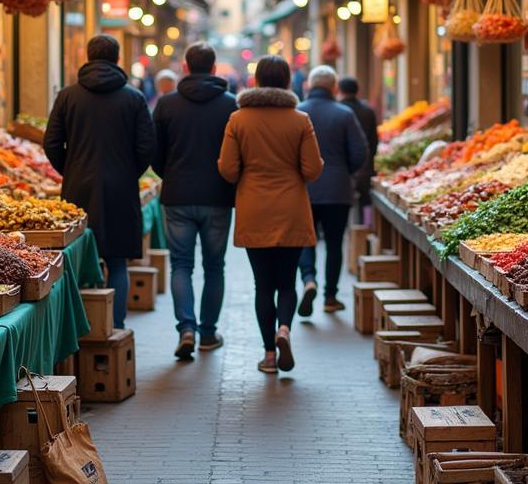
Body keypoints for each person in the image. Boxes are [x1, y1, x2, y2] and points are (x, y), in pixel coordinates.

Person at [217, 55, 323, 374]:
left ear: (257, 80)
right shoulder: (300, 119)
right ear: (288, 81)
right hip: (291, 208)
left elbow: (228, 169)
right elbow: (312, 169)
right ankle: (285, 329)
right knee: (287, 282)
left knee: (263, 285)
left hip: (254, 209)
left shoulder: (238, 120)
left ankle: (268, 355)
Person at [44, 34, 155, 330]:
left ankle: (82, 331)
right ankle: (114, 327)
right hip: (121, 190)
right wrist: (129, 172)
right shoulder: (134, 98)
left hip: (78, 189)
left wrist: (71, 170)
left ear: (88, 56)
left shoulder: (68, 96)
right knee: (118, 262)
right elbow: (147, 147)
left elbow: (52, 142)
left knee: (79, 261)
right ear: (117, 59)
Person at [152, 42, 237, 359]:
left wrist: (170, 174)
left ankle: (186, 328)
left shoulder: (167, 104)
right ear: (214, 69)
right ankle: (207, 332)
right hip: (218, 196)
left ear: (185, 67)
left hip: (177, 196)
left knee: (181, 265)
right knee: (215, 266)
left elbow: (154, 154)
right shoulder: (231, 104)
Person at [296, 65, 368, 317]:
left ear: (309, 86)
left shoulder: (298, 112)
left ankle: (308, 280)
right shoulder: (344, 114)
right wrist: (344, 171)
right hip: (337, 188)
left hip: (304, 188)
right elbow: (360, 152)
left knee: (306, 239)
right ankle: (330, 296)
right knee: (335, 243)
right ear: (334, 87)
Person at [338, 76, 379, 225]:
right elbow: (374, 140)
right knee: (365, 199)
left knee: (342, 203)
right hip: (365, 165)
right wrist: (370, 160)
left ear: (340, 90)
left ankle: (348, 231)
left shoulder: (338, 110)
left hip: (342, 166)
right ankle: (366, 227)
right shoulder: (367, 111)